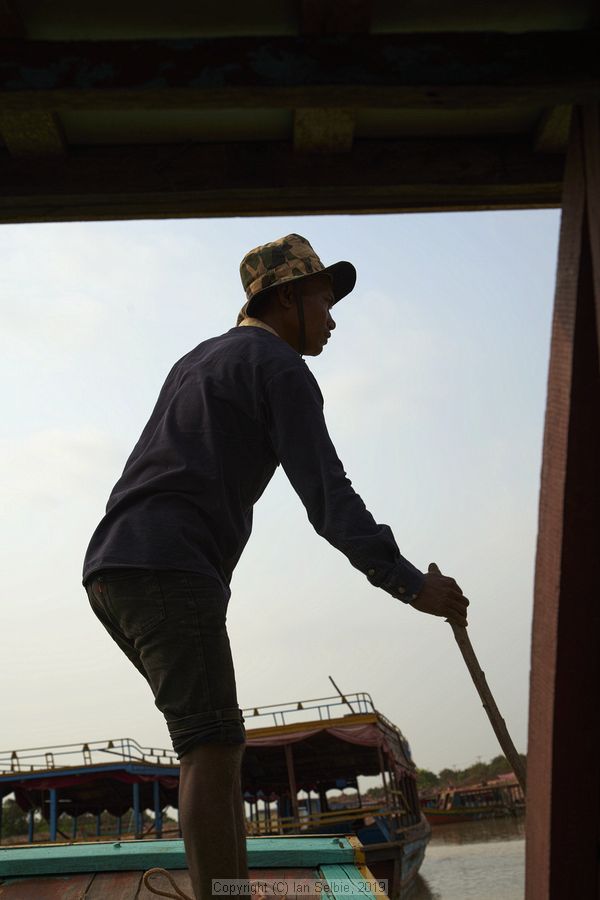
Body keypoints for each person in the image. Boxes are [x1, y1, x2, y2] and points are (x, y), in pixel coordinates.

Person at [82, 233, 469, 900]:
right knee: (212, 745)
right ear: (287, 298)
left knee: (216, 741)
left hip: (113, 567)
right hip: (166, 567)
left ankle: (224, 892)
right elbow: (331, 502)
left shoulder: (201, 359)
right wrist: (413, 585)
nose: (332, 317)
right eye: (324, 298)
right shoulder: (280, 366)